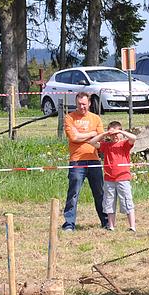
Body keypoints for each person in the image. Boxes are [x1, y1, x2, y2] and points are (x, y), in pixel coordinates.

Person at [61, 91, 107, 232]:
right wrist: (91, 134)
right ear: (76, 103)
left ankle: (106, 222)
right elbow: (73, 138)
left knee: (100, 193)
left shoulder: (96, 118)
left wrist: (84, 136)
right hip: (76, 161)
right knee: (73, 193)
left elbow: (101, 137)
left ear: (89, 104)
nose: (82, 107)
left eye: (84, 104)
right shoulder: (69, 118)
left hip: (94, 160)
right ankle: (69, 224)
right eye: (79, 104)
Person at [89, 121, 137, 231]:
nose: (115, 136)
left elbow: (133, 138)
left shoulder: (124, 144)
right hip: (109, 179)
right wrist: (105, 134)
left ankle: (132, 226)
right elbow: (92, 142)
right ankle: (111, 226)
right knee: (109, 202)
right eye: (113, 134)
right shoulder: (106, 146)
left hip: (123, 178)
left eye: (117, 134)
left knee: (127, 201)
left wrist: (120, 131)